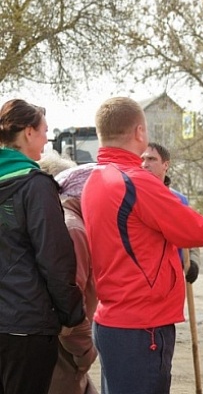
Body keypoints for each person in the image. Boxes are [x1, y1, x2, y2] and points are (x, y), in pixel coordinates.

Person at [81, 97, 203, 394]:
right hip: (142, 325)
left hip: (112, 321)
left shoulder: (95, 179)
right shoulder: (136, 181)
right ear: (140, 131)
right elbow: (190, 229)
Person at [0, 99, 85, 394]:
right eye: (44, 132)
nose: (47, 140)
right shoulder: (35, 185)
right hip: (26, 326)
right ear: (27, 133)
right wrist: (71, 314)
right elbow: (56, 259)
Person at [47, 163, 99, 394]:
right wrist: (85, 353)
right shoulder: (73, 229)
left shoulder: (62, 218)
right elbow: (69, 300)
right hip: (65, 350)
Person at [141, 142, 201, 283]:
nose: (144, 164)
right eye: (142, 159)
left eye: (151, 159)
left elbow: (191, 232)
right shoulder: (132, 196)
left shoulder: (180, 200)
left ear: (165, 165)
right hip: (142, 280)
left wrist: (193, 261)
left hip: (172, 280)